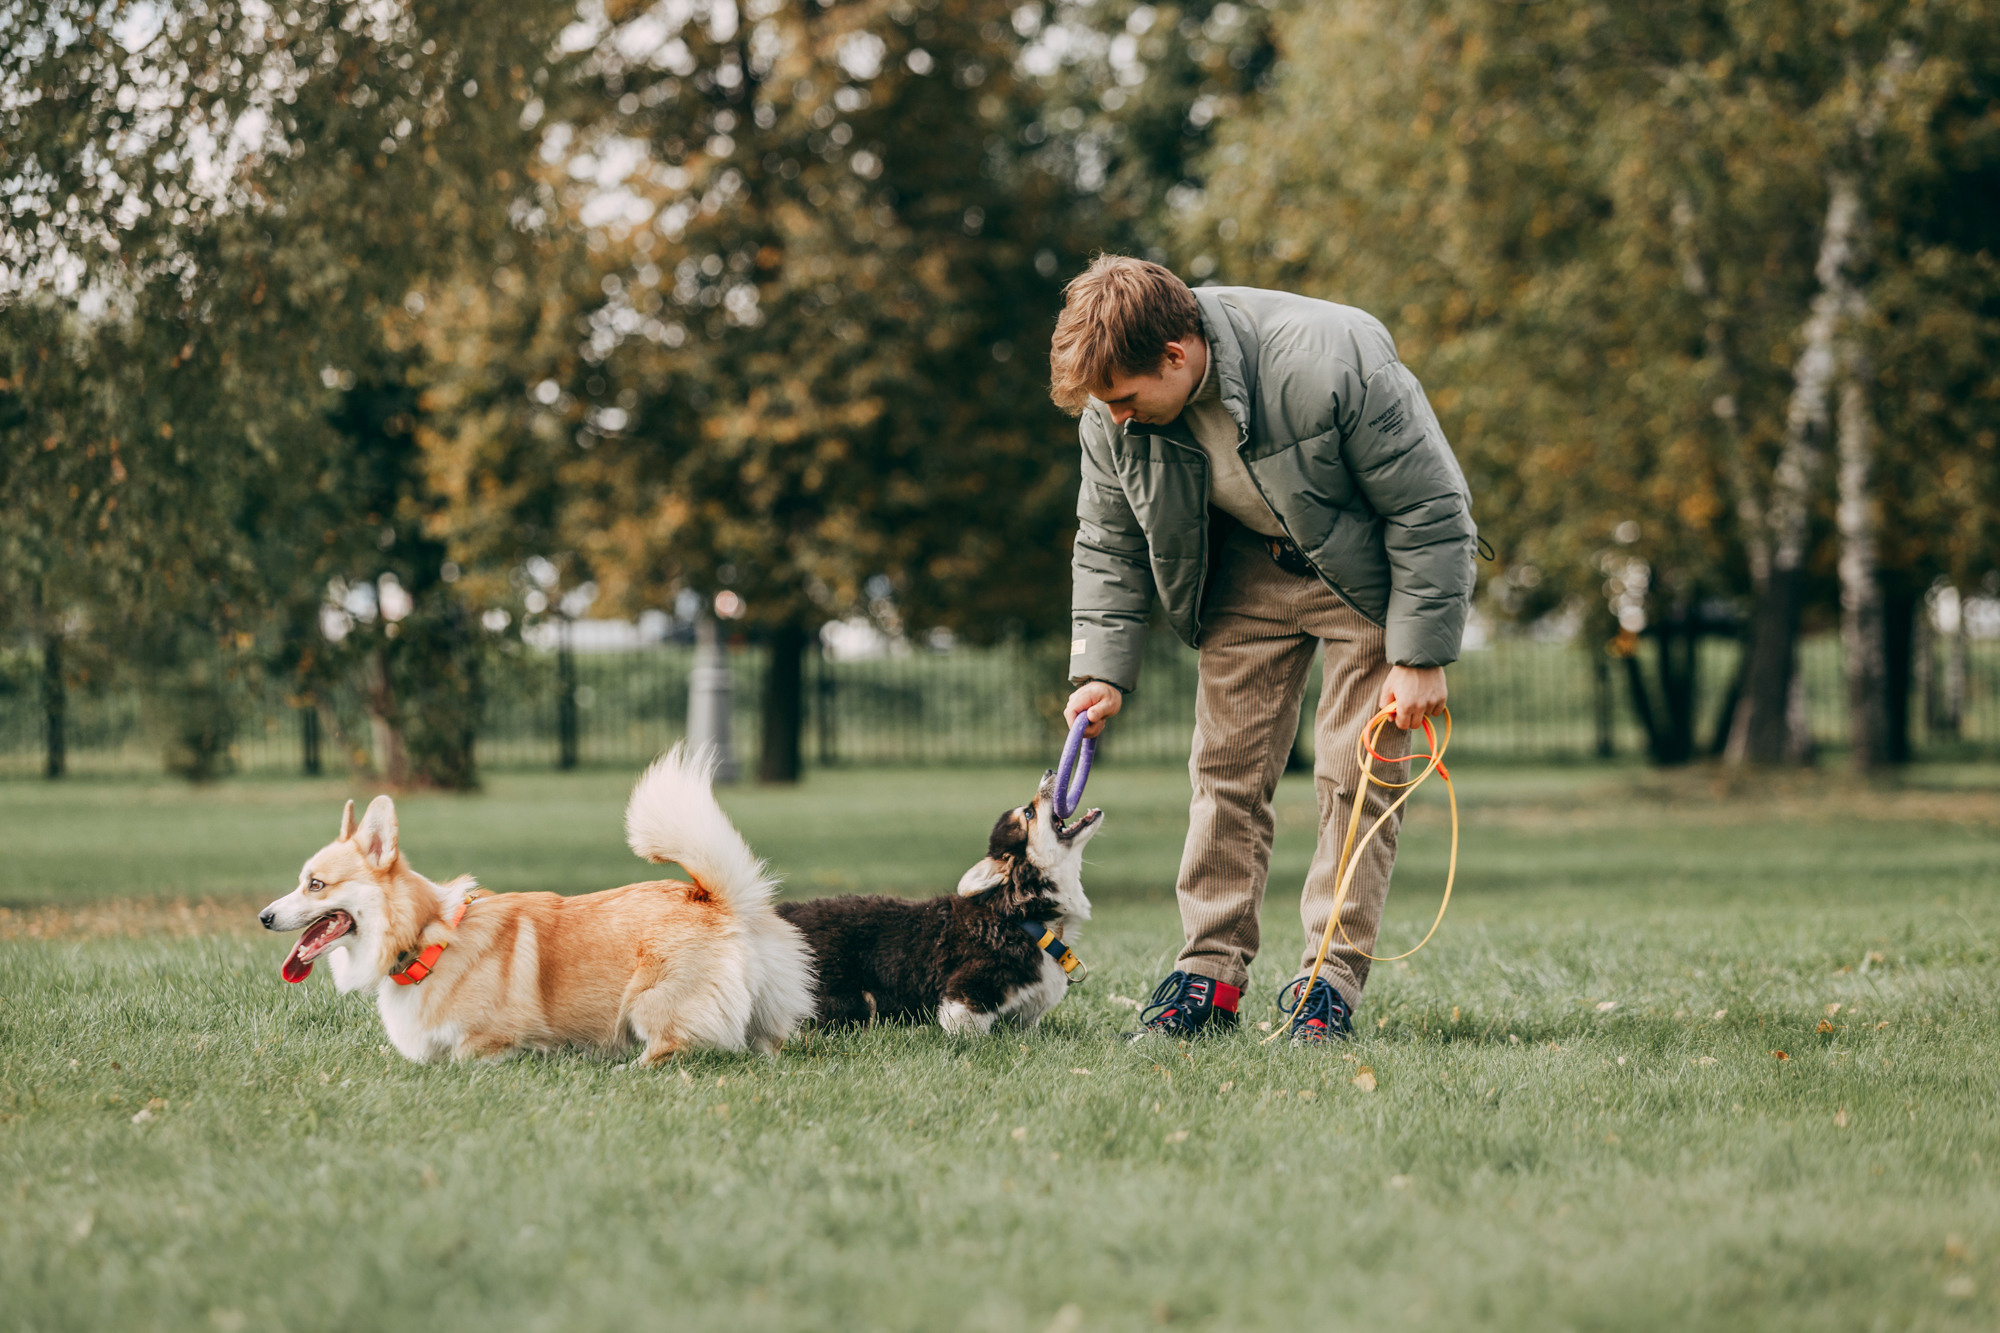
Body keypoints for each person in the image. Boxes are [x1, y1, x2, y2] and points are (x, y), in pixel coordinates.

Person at [1051, 256, 1475, 1044]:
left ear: (1175, 356)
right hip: (1243, 578)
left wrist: (1419, 655)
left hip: (1363, 576)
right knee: (1225, 778)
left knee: (1356, 776)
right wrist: (1101, 670)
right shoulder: (1110, 414)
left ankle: (1328, 984)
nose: (1114, 417)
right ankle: (1207, 980)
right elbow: (1107, 542)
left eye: (1124, 398)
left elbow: (1430, 506)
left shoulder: (1332, 356)